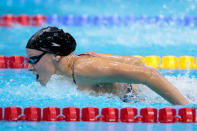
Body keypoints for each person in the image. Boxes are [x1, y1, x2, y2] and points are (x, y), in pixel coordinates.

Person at [26, 26, 189, 105]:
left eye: (33, 60)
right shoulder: (77, 63)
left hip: (148, 98)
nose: (29, 67)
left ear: (55, 55)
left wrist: (185, 109)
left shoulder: (84, 69)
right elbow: (134, 62)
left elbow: (149, 75)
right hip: (146, 94)